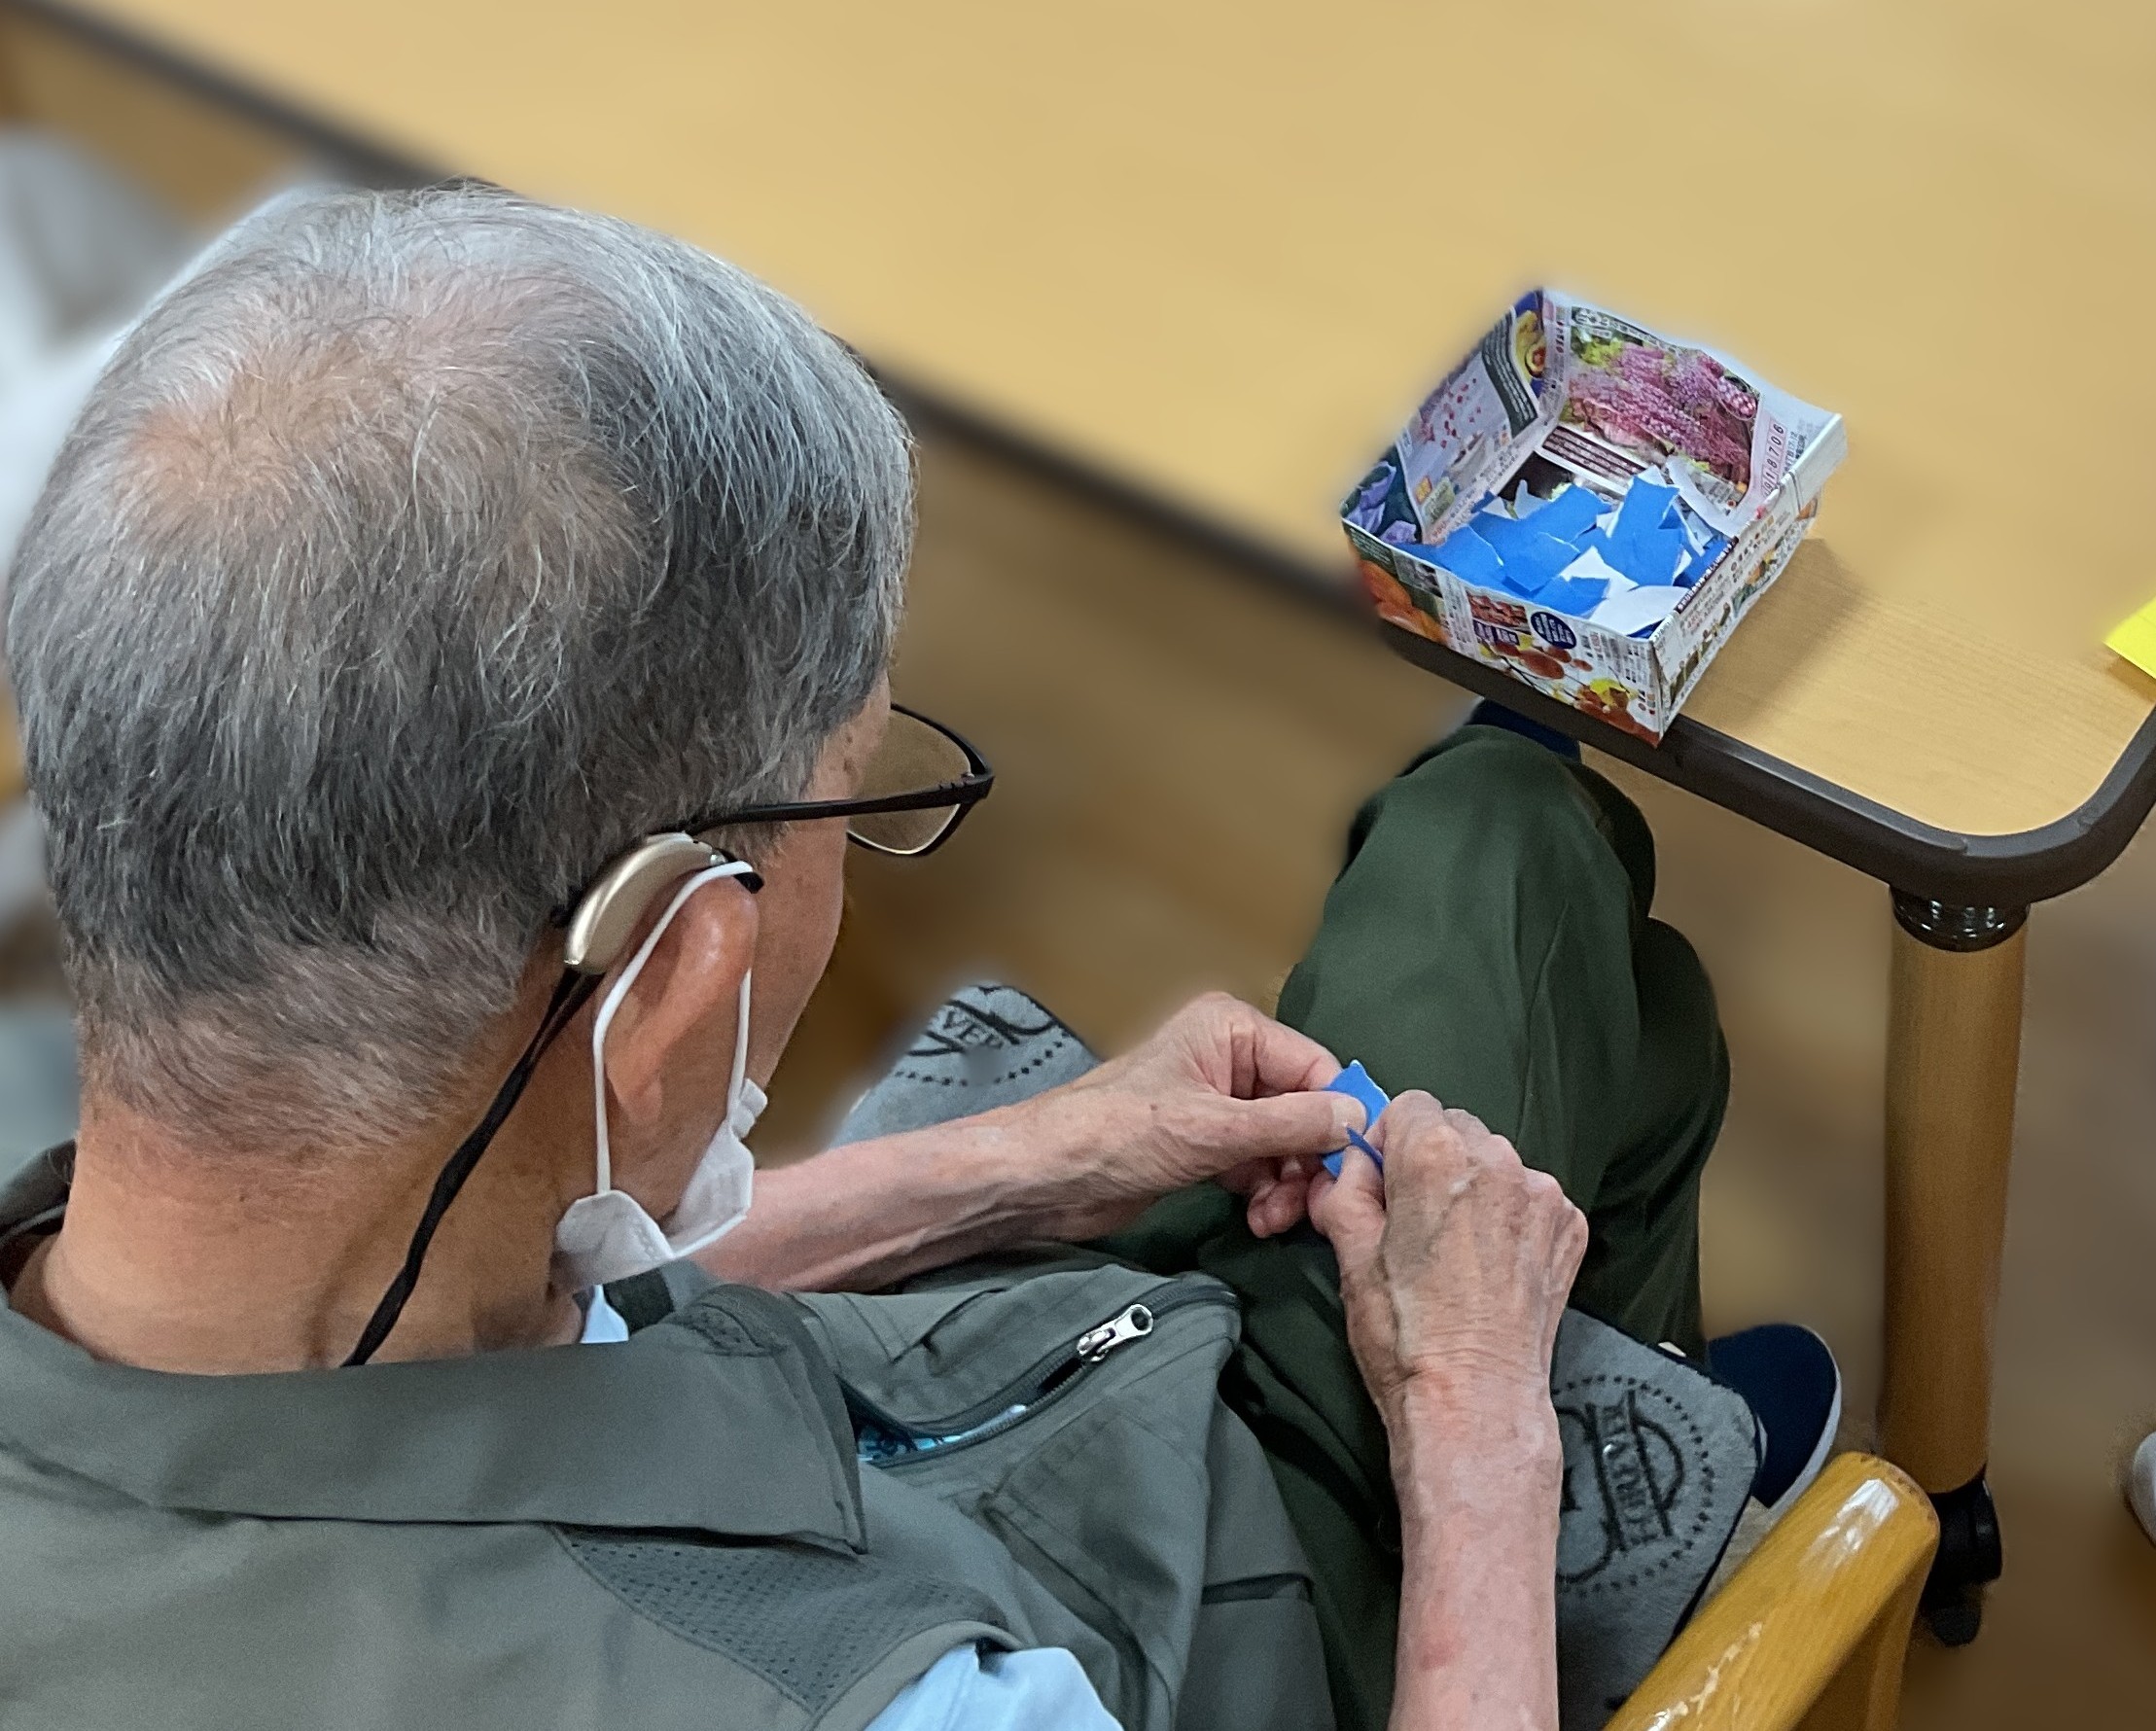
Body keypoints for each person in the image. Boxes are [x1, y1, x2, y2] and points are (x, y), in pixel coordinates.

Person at [0, 185, 1828, 1731]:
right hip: (1170, 1609)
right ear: (672, 976)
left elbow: (483, 1304)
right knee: (1505, 845)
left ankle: (1644, 1422)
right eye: (848, 799)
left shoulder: (198, 1288)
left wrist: (1029, 1160)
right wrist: (1479, 1428)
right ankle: (1628, 1488)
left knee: (1596, 1018)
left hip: (917, 1432)